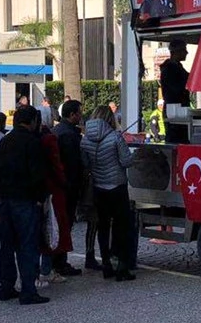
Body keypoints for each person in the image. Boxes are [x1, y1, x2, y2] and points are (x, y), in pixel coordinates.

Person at [0, 105, 49, 305]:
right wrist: (40, 198)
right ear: (32, 121)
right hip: (26, 199)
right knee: (27, 245)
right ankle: (28, 289)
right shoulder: (32, 142)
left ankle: (6, 286)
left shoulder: (5, 142)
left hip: (6, 199)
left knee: (7, 245)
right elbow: (38, 174)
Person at [81, 105, 135, 282]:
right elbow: (126, 161)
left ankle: (106, 264)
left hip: (98, 187)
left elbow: (85, 164)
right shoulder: (115, 137)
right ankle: (122, 266)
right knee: (122, 227)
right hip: (117, 187)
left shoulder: (85, 139)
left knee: (102, 227)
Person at [38, 113, 75, 286]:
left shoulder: (45, 136)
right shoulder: (48, 139)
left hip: (39, 191)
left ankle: (41, 269)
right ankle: (47, 268)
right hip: (53, 191)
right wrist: (65, 182)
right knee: (52, 229)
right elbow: (56, 165)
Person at [50, 99, 84, 277]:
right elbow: (73, 165)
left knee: (59, 224)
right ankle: (60, 261)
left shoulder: (57, 131)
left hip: (59, 186)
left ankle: (57, 260)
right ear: (72, 115)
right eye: (79, 113)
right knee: (64, 224)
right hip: (67, 187)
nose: (81, 116)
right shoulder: (69, 135)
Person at [159, 40, 191, 144]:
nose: (187, 53)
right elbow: (177, 89)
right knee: (177, 141)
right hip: (175, 113)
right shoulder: (170, 69)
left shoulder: (176, 67)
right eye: (184, 50)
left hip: (177, 111)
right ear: (177, 51)